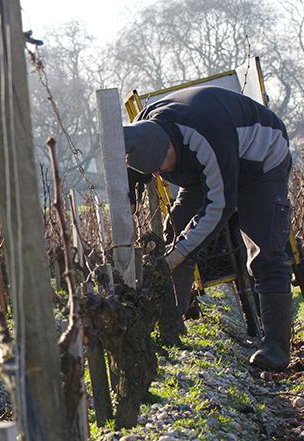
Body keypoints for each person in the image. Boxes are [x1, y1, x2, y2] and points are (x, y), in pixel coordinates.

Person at [123, 86, 294, 371]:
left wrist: (180, 254)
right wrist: (129, 197)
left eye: (160, 167)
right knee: (175, 231)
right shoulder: (144, 129)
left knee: (264, 252)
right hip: (203, 165)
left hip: (259, 161)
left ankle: (276, 347)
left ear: (170, 146)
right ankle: (172, 320)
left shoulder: (206, 133)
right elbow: (132, 161)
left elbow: (220, 206)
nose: (158, 174)